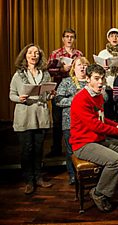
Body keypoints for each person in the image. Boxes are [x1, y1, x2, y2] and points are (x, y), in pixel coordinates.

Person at [70, 64, 118, 212]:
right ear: (87, 79)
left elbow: (101, 119)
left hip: (97, 139)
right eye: (96, 79)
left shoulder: (97, 96)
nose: (100, 82)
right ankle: (99, 193)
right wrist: (117, 132)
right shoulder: (81, 99)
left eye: (102, 79)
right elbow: (95, 125)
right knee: (116, 161)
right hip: (83, 144)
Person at [9, 44, 55, 194]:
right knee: (27, 149)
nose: (34, 55)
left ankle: (38, 177)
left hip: (40, 114)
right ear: (25, 56)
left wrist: (50, 95)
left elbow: (46, 94)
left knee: (38, 148)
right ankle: (29, 180)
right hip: (25, 115)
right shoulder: (19, 74)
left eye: (36, 53)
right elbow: (12, 94)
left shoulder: (45, 74)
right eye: (30, 53)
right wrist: (19, 98)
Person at [47, 28, 84, 158]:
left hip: (75, 91)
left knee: (75, 121)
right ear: (63, 39)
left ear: (74, 39)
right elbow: (48, 70)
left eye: (72, 37)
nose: (69, 39)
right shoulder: (56, 53)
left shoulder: (79, 54)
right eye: (67, 37)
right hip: (59, 90)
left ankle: (76, 147)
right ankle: (56, 149)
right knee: (57, 122)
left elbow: (83, 69)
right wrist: (62, 69)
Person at [55, 57, 90, 185]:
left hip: (88, 123)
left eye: (85, 65)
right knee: (71, 151)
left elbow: (105, 97)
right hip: (69, 123)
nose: (82, 67)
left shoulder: (91, 81)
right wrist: (75, 100)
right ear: (73, 68)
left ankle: (87, 174)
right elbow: (58, 101)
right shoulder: (66, 82)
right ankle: (73, 175)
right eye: (79, 65)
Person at [98, 28, 118, 119]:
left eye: (116, 36)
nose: (114, 38)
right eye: (111, 36)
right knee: (108, 111)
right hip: (108, 85)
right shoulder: (103, 53)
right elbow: (97, 71)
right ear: (108, 38)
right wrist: (102, 68)